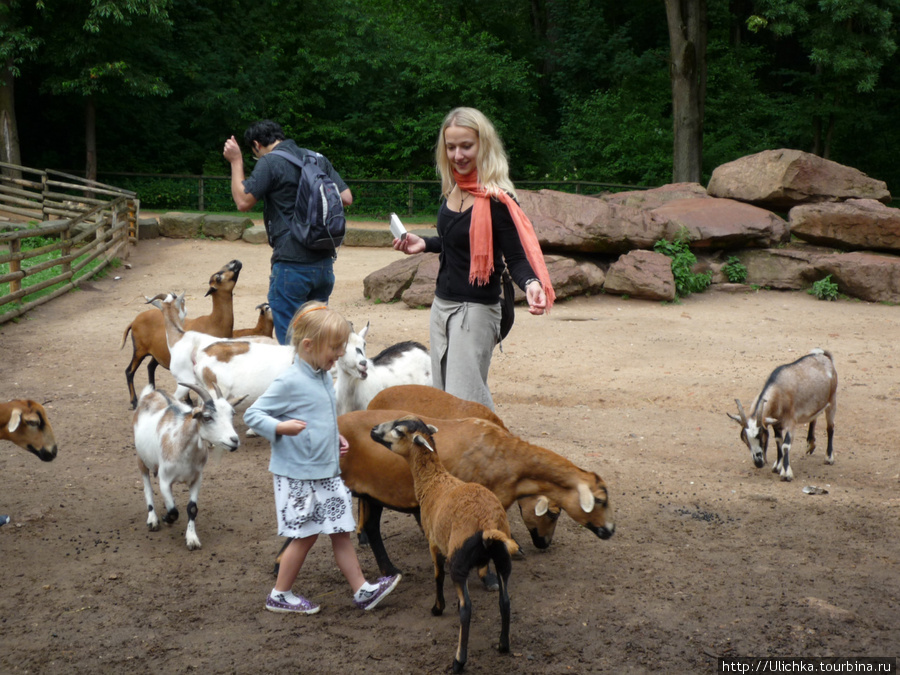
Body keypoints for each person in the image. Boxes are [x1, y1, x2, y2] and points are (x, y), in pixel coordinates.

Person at [393, 107, 556, 410]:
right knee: (444, 393)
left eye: (466, 146)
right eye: (451, 147)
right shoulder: (455, 186)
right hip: (441, 306)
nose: (458, 155)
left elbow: (516, 257)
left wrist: (532, 283)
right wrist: (425, 243)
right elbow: (457, 242)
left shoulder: (496, 199)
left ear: (484, 145)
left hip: (476, 311)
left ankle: (494, 451)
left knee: (465, 399)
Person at [244, 300, 401, 614]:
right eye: (335, 347)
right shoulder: (290, 381)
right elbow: (253, 414)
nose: (341, 354)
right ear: (308, 345)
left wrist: (335, 436)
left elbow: (322, 416)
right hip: (300, 475)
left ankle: (362, 590)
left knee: (342, 530)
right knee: (306, 534)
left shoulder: (321, 377)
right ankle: (280, 593)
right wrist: (281, 427)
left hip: (324, 471)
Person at [223, 120, 354, 345]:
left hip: (291, 265)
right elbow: (346, 197)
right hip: (323, 263)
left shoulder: (270, 162)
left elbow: (243, 201)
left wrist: (236, 161)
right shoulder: (317, 158)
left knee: (292, 346)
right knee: (317, 340)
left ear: (256, 145)